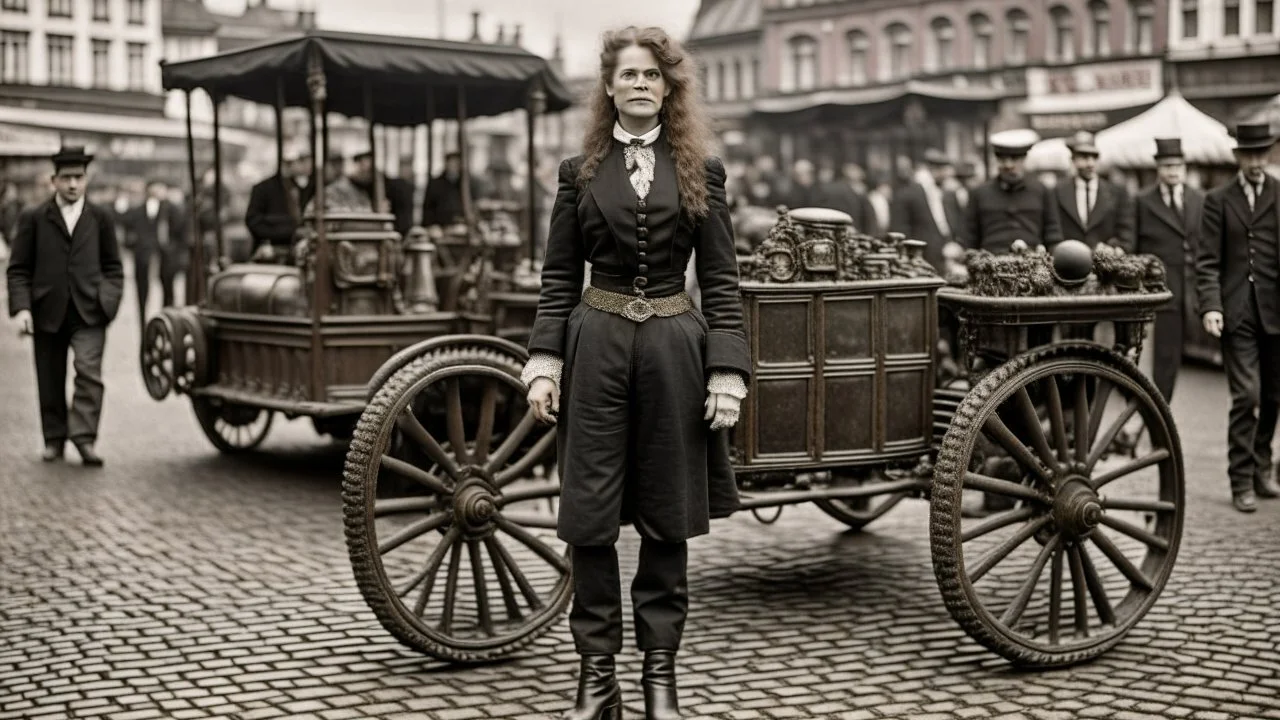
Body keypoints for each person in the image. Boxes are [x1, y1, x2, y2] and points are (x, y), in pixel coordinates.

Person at [522, 26, 748, 720]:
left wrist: (727, 373)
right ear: (609, 87)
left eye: (652, 74)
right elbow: (559, 279)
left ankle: (659, 678)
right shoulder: (579, 173)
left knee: (666, 516)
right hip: (596, 347)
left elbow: (721, 280)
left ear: (669, 85)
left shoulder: (701, 171)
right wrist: (543, 362)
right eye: (628, 75)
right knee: (589, 519)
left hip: (676, 351)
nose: (641, 84)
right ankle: (597, 678)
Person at [6, 146, 124, 466]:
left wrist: (108, 300)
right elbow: (18, 268)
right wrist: (23, 308)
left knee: (89, 373)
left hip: (90, 311)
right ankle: (54, 438)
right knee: (49, 375)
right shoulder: (34, 217)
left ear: (87, 180)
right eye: (67, 178)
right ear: (53, 181)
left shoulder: (101, 218)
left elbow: (114, 266)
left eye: (79, 178)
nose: (73, 185)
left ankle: (84, 438)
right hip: (48, 310)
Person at [1195, 122, 1280, 513]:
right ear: (1238, 158)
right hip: (1236, 312)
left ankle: (1263, 466)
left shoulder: (1279, 193)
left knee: (1273, 396)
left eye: (1262, 154)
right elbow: (1207, 260)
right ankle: (1241, 479)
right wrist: (1211, 305)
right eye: (1249, 155)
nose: (1257, 162)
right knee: (1247, 396)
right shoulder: (1217, 199)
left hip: (1275, 311)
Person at [1128, 138, 1204, 404]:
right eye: (1167, 165)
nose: (1173, 171)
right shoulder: (1142, 201)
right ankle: (1158, 422)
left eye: (1178, 165)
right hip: (1162, 293)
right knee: (1164, 361)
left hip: (1196, 291)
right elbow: (1133, 247)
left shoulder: (1199, 199)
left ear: (1185, 168)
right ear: (1158, 168)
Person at [964, 129, 1063, 254]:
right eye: (1002, 160)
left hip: (1033, 263)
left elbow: (1053, 235)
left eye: (1014, 159)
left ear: (1024, 159)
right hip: (990, 264)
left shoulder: (1042, 191)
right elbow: (970, 238)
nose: (1008, 165)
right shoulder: (979, 193)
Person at [120, 179, 187, 324]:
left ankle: (167, 325)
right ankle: (145, 330)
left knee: (167, 295)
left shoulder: (172, 209)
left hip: (165, 260)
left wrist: (171, 249)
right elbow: (126, 228)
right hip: (144, 260)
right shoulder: (137, 210)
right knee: (143, 295)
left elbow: (181, 232)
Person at [1054, 131, 1133, 250]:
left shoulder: (1117, 192)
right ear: (1073, 160)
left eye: (1094, 157)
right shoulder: (1057, 191)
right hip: (1068, 262)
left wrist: (1117, 249)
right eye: (1084, 157)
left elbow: (1126, 232)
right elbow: (1053, 230)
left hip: (1106, 263)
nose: (1090, 163)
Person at [891, 149, 956, 271]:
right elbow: (900, 231)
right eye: (944, 170)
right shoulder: (908, 194)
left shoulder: (940, 192)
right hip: (921, 260)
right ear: (934, 169)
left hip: (940, 257)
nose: (947, 175)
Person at [246, 144, 314, 259]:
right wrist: (291, 232)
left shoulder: (306, 189)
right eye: (302, 160)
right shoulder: (263, 189)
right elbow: (254, 222)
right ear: (289, 163)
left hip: (298, 252)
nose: (308, 165)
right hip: (270, 253)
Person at [421, 151, 482, 229]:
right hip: (440, 227)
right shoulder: (435, 184)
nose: (453, 167)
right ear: (446, 164)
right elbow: (428, 208)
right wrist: (430, 225)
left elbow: (474, 204)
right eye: (451, 163)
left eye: (456, 164)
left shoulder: (466, 184)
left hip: (462, 226)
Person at [816, 162, 880, 235]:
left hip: (829, 233)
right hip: (852, 234)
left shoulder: (826, 189)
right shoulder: (859, 193)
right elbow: (870, 220)